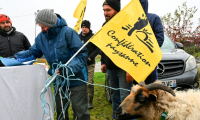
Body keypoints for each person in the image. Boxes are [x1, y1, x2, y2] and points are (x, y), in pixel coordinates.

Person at [14, 9, 90, 120]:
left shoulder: (68, 33)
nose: (42, 29)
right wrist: (15, 57)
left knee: (79, 110)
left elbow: (81, 55)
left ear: (52, 23)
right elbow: (33, 52)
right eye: (40, 26)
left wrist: (67, 69)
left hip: (77, 79)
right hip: (58, 79)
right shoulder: (41, 37)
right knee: (61, 111)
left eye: (44, 26)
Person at [101, 0, 133, 120]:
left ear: (117, 10)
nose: (105, 13)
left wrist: (130, 70)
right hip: (110, 69)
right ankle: (116, 117)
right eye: (104, 10)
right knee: (114, 96)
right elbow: (104, 46)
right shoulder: (105, 26)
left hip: (123, 69)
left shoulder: (127, 25)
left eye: (108, 10)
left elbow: (133, 49)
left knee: (126, 98)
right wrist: (104, 62)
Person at [79, 20, 100, 109]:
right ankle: (82, 100)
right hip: (80, 64)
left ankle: (89, 101)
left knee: (89, 82)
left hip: (90, 64)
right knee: (81, 83)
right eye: (83, 27)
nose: (84, 29)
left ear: (89, 28)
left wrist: (91, 56)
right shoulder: (78, 37)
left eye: (86, 27)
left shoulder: (93, 37)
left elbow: (98, 49)